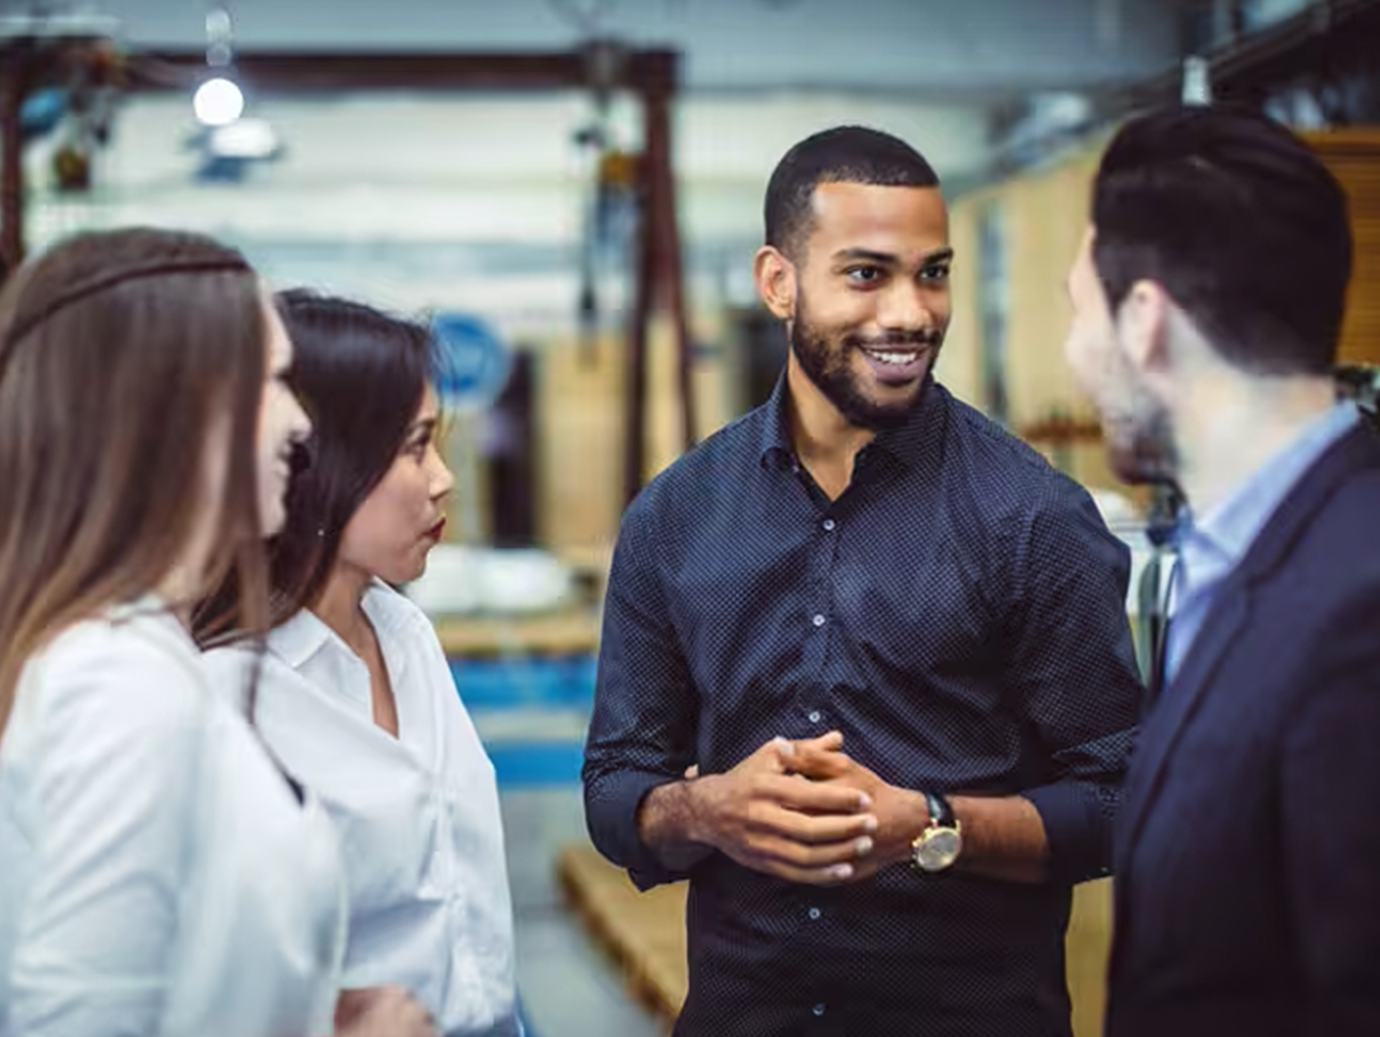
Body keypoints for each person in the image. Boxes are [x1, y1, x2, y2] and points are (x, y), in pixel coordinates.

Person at [583, 125, 1145, 1036]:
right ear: (778, 283)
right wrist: (707, 810)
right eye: (866, 274)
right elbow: (616, 784)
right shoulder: (675, 516)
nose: (911, 313)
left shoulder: (1034, 518)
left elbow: (1123, 800)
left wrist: (929, 823)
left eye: (932, 273)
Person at [0, 228, 435, 1037]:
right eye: (271, 381)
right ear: (167, 413)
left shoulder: (144, 659)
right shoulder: (116, 683)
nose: (300, 423)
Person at [1065, 105, 1380, 1037]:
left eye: (1081, 312)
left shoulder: (1359, 604)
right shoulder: (1228, 554)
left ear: (1145, 321)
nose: (1077, 355)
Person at [201, 291, 522, 1037]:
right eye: (415, 446)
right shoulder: (231, 696)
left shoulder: (405, 633)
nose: (443, 478)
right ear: (317, 459)